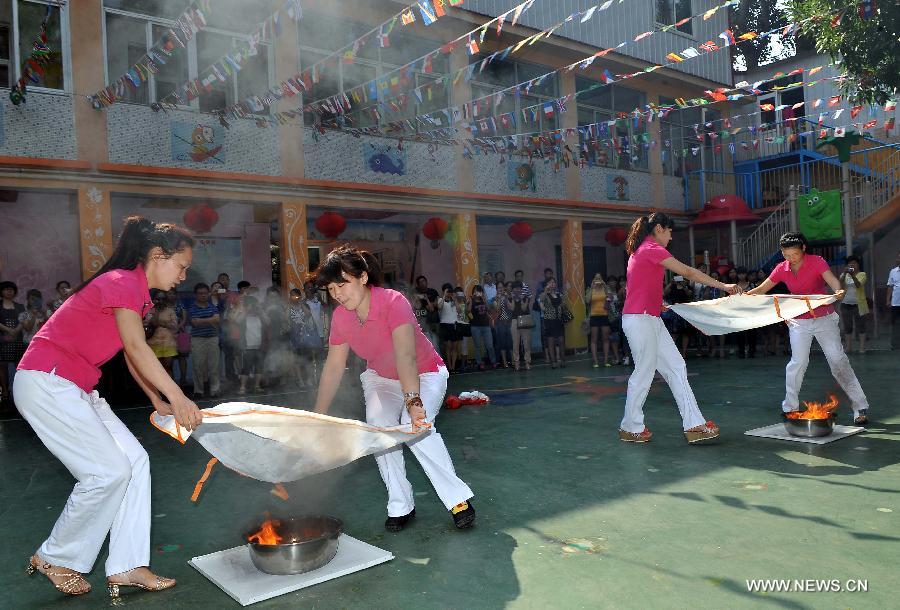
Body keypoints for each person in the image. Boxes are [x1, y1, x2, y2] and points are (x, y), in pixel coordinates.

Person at [14, 216, 202, 598]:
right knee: (107, 473)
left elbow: (131, 350)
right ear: (157, 255)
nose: (183, 275)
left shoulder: (135, 289)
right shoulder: (121, 282)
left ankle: (128, 566)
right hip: (47, 379)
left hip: (77, 385)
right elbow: (136, 346)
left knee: (135, 463)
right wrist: (178, 397)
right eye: (181, 266)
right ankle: (56, 556)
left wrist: (155, 397)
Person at [312, 246, 475, 531]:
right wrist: (318, 415)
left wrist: (413, 404)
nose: (337, 293)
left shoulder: (392, 301)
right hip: (381, 377)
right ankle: (401, 505)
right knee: (381, 429)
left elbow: (405, 356)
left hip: (425, 373)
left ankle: (457, 499)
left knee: (415, 427)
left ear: (363, 277)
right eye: (330, 288)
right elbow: (334, 367)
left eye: (342, 283)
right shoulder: (341, 317)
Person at [618, 213, 739, 444]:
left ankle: (694, 425)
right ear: (660, 228)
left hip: (649, 318)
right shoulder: (651, 248)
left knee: (676, 367)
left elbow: (641, 286)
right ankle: (630, 426)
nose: (671, 236)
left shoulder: (642, 250)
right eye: (670, 231)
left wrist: (656, 304)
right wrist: (724, 285)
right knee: (644, 372)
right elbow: (688, 273)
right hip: (641, 320)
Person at [746, 232, 870, 425]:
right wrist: (743, 297)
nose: (791, 258)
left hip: (824, 319)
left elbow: (834, 283)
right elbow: (762, 289)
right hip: (798, 321)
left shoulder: (817, 262)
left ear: (803, 248)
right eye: (786, 255)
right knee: (798, 362)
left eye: (794, 254)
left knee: (837, 360)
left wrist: (838, 291)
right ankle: (790, 408)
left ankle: (859, 405)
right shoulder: (781, 268)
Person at [187, 283, 221, 399]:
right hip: (198, 340)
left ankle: (214, 390)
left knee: (214, 366)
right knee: (198, 365)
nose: (203, 296)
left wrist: (202, 320)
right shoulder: (192, 308)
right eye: (200, 293)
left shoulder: (212, 306)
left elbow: (217, 319)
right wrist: (210, 320)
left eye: (205, 293)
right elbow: (194, 322)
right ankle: (198, 391)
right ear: (196, 295)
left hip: (212, 338)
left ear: (208, 294)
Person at [1, 280, 26, 406]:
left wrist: (15, 331)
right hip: (2, 341)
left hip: (17, 341)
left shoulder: (20, 306)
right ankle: (5, 393)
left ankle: (17, 393)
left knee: (18, 367)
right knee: (2, 367)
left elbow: (23, 321)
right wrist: (8, 330)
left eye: (11, 289)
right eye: (6, 289)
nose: (9, 291)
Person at [838, 255, 869, 354]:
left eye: (854, 263)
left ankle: (862, 347)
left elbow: (858, 285)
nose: (852, 265)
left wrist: (853, 275)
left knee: (861, 326)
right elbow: (839, 285)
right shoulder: (844, 275)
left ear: (858, 264)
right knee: (847, 326)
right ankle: (848, 347)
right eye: (850, 263)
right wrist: (844, 274)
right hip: (845, 304)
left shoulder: (862, 274)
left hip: (859, 305)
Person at [146, 290, 179, 376]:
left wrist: (160, 323)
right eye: (158, 299)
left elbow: (175, 326)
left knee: (168, 367)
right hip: (154, 343)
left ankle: (169, 388)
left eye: (163, 299)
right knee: (157, 369)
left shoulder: (170, 311)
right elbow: (146, 324)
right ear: (153, 299)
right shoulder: (150, 311)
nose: (160, 301)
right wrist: (162, 321)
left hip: (169, 343)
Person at [585, 273, 615, 367]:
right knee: (594, 339)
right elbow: (587, 301)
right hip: (594, 316)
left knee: (605, 338)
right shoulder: (590, 289)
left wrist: (605, 287)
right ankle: (595, 361)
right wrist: (592, 287)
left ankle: (606, 361)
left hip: (604, 315)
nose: (598, 280)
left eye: (600, 278)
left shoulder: (605, 288)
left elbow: (611, 298)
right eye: (596, 278)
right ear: (593, 280)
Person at [539, 278, 567, 368]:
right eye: (550, 282)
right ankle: (553, 362)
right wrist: (546, 290)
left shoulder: (559, 294)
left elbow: (564, 305)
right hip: (549, 320)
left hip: (559, 320)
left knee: (561, 341)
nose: (552, 284)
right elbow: (541, 300)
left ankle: (562, 360)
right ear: (546, 284)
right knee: (551, 342)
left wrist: (563, 304)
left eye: (554, 282)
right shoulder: (544, 295)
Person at [468, 285, 497, 369]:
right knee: (477, 346)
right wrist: (471, 300)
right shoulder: (471, 300)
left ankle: (493, 361)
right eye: (476, 291)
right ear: (473, 292)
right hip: (475, 326)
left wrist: (484, 300)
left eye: (480, 291)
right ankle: (480, 362)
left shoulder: (483, 300)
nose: (478, 293)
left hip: (486, 326)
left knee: (490, 345)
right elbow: (468, 311)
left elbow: (489, 309)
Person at [508, 281, 533, 371]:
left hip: (525, 320)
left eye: (519, 288)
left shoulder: (526, 297)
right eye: (515, 288)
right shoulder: (510, 298)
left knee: (526, 344)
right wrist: (513, 298)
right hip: (515, 321)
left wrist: (523, 299)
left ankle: (527, 362)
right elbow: (512, 308)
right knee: (515, 344)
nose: (517, 290)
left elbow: (524, 308)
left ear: (522, 289)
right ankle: (516, 363)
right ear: (513, 289)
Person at [734, 267, 758, 358]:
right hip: (738, 313)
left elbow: (757, 298)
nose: (741, 275)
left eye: (743, 273)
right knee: (740, 334)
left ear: (746, 274)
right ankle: (741, 351)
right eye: (740, 273)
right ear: (737, 274)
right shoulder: (733, 286)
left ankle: (752, 350)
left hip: (751, 312)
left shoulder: (752, 285)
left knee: (751, 333)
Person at [437, 283, 459, 372]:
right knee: (448, 347)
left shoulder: (454, 300)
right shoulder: (440, 300)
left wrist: (454, 299)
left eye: (450, 291)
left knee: (455, 346)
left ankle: (453, 366)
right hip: (445, 325)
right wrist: (444, 296)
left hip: (454, 324)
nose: (449, 292)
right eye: (447, 291)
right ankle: (449, 366)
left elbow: (459, 310)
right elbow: (439, 307)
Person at [493, 281, 514, 368]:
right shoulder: (495, 299)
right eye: (499, 288)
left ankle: (513, 360)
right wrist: (499, 299)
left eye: (502, 287)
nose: (500, 289)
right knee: (502, 343)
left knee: (510, 343)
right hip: (500, 323)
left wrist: (506, 298)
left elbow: (511, 308)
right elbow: (497, 309)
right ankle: (504, 362)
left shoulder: (508, 297)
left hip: (509, 322)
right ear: (496, 289)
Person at [888, 251, 900, 350]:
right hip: (896, 303)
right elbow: (890, 287)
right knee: (895, 324)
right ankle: (895, 344)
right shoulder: (893, 271)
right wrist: (888, 300)